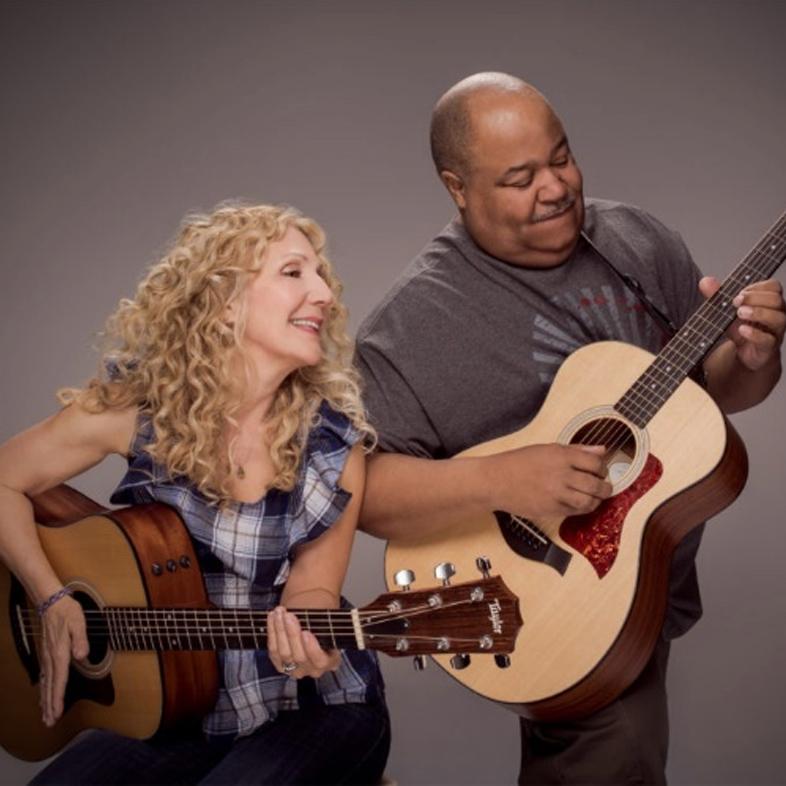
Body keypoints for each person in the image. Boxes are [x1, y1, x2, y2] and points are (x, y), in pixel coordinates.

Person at [355, 72, 784, 784]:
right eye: (520, 178)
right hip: (546, 599)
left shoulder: (636, 240)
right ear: (457, 188)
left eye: (561, 158)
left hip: (640, 586)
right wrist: (506, 478)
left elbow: (712, 400)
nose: (555, 187)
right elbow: (364, 494)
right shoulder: (410, 326)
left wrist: (754, 354)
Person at [0, 203, 390, 784]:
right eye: (293, 272)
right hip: (170, 706)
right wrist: (52, 598)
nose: (325, 294)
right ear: (225, 298)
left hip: (308, 710)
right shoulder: (137, 407)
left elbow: (314, 591)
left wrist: (314, 641)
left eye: (322, 276)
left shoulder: (333, 445)